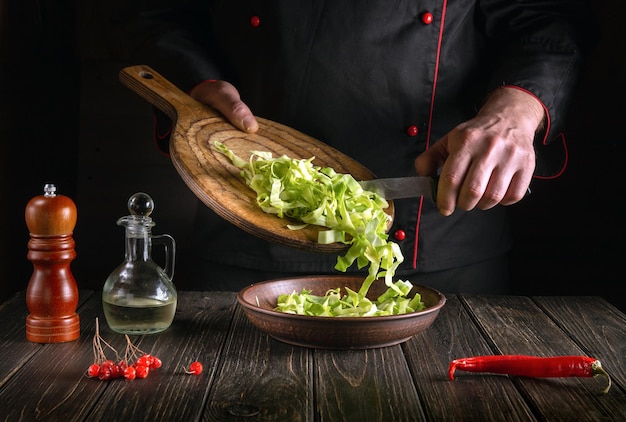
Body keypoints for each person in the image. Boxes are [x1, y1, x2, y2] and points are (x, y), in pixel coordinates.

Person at [129, 1, 594, 293]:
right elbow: (158, 10)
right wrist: (194, 81)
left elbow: (549, 20)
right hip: (241, 218)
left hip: (441, 244)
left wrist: (517, 111)